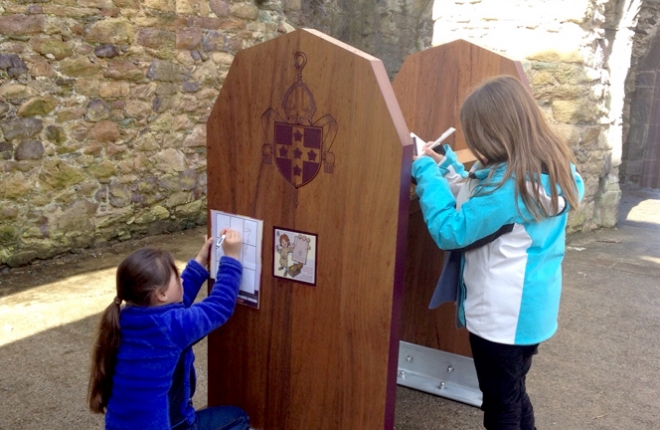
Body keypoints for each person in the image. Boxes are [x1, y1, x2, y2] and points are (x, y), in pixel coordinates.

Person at [411, 75, 585, 430]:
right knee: (514, 392)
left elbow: (452, 230)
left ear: (494, 134)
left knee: (500, 405)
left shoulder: (508, 190)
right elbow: (481, 193)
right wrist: (446, 166)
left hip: (500, 319)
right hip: (532, 311)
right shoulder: (550, 171)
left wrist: (425, 172)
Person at [87, 229, 250, 430]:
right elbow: (218, 307)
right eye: (177, 277)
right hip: (172, 425)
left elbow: (176, 304)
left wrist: (200, 261)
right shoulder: (169, 328)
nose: (182, 280)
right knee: (239, 417)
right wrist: (232, 258)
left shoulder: (124, 318)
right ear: (161, 294)